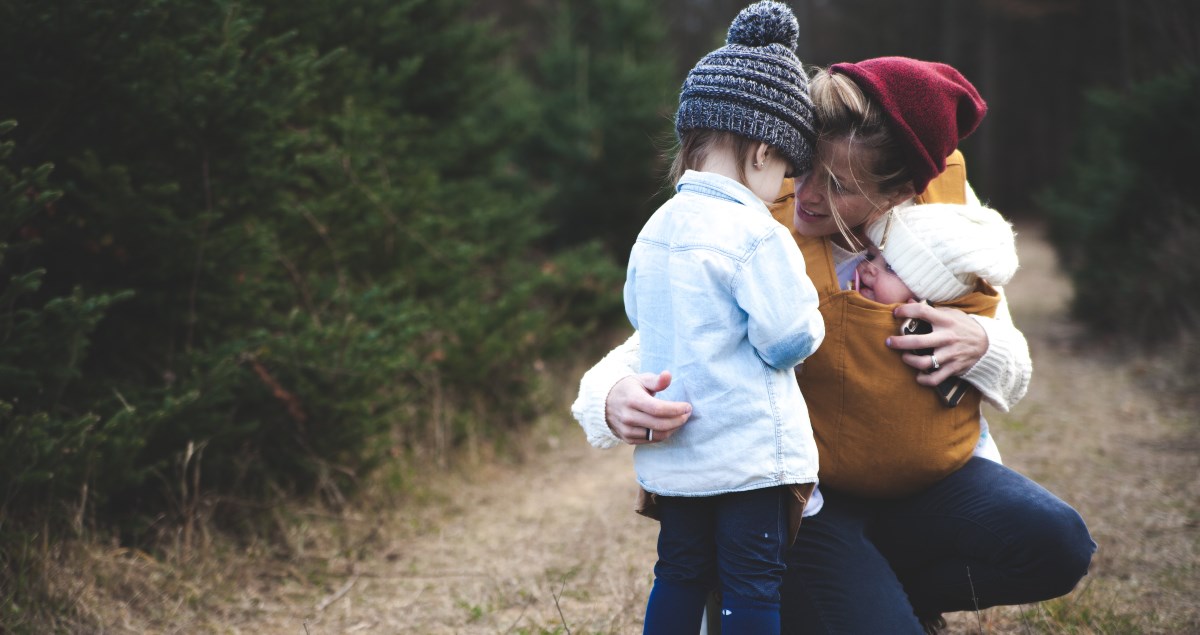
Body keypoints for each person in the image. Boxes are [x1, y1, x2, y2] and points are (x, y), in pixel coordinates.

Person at [572, 56, 1096, 632]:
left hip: (926, 487)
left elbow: (1014, 369)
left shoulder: (946, 229)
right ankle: (838, 595)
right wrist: (609, 395)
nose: (809, 196)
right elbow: (665, 331)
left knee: (1059, 543)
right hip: (809, 502)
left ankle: (882, 590)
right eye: (807, 169)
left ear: (899, 192)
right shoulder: (755, 223)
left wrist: (982, 343)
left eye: (840, 186)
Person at [625, 3, 823, 632]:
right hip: (748, 457)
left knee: (679, 571)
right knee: (751, 585)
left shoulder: (655, 229)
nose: (784, 187)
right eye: (787, 170)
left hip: (679, 457)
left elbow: (639, 315)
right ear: (764, 152)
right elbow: (789, 337)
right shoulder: (755, 233)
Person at [808, 200, 1018, 499]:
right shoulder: (836, 292)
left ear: (928, 296)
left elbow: (1012, 375)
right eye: (870, 256)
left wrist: (986, 344)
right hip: (838, 476)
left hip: (946, 471)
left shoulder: (948, 323)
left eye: (890, 268)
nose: (867, 269)